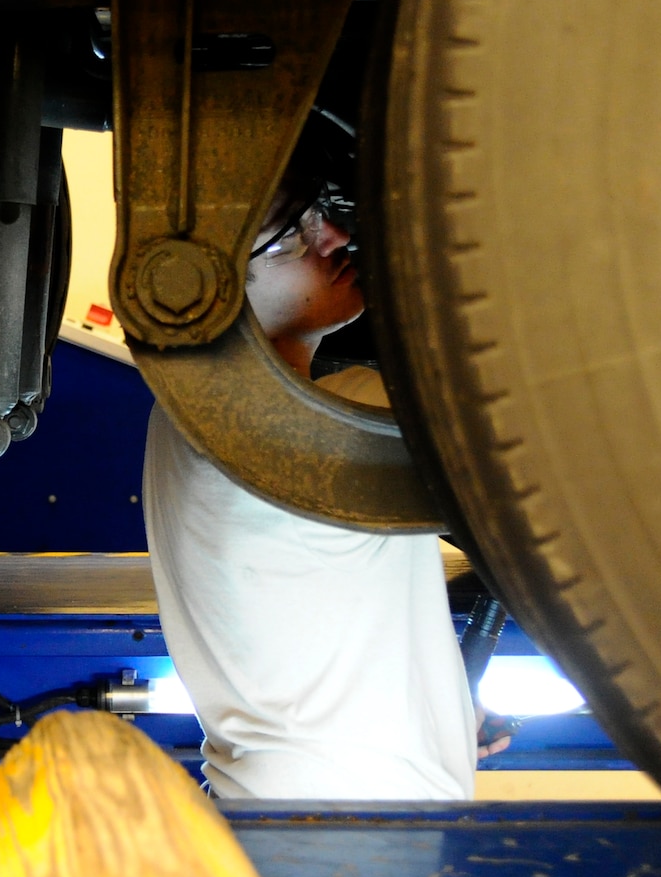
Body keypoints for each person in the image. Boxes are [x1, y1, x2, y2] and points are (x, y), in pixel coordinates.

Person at [141, 162, 482, 800]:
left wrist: (440, 715)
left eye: (316, 217)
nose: (332, 237)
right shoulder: (346, 425)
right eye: (293, 238)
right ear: (215, 283)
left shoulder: (184, 420)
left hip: (305, 801)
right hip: (345, 827)